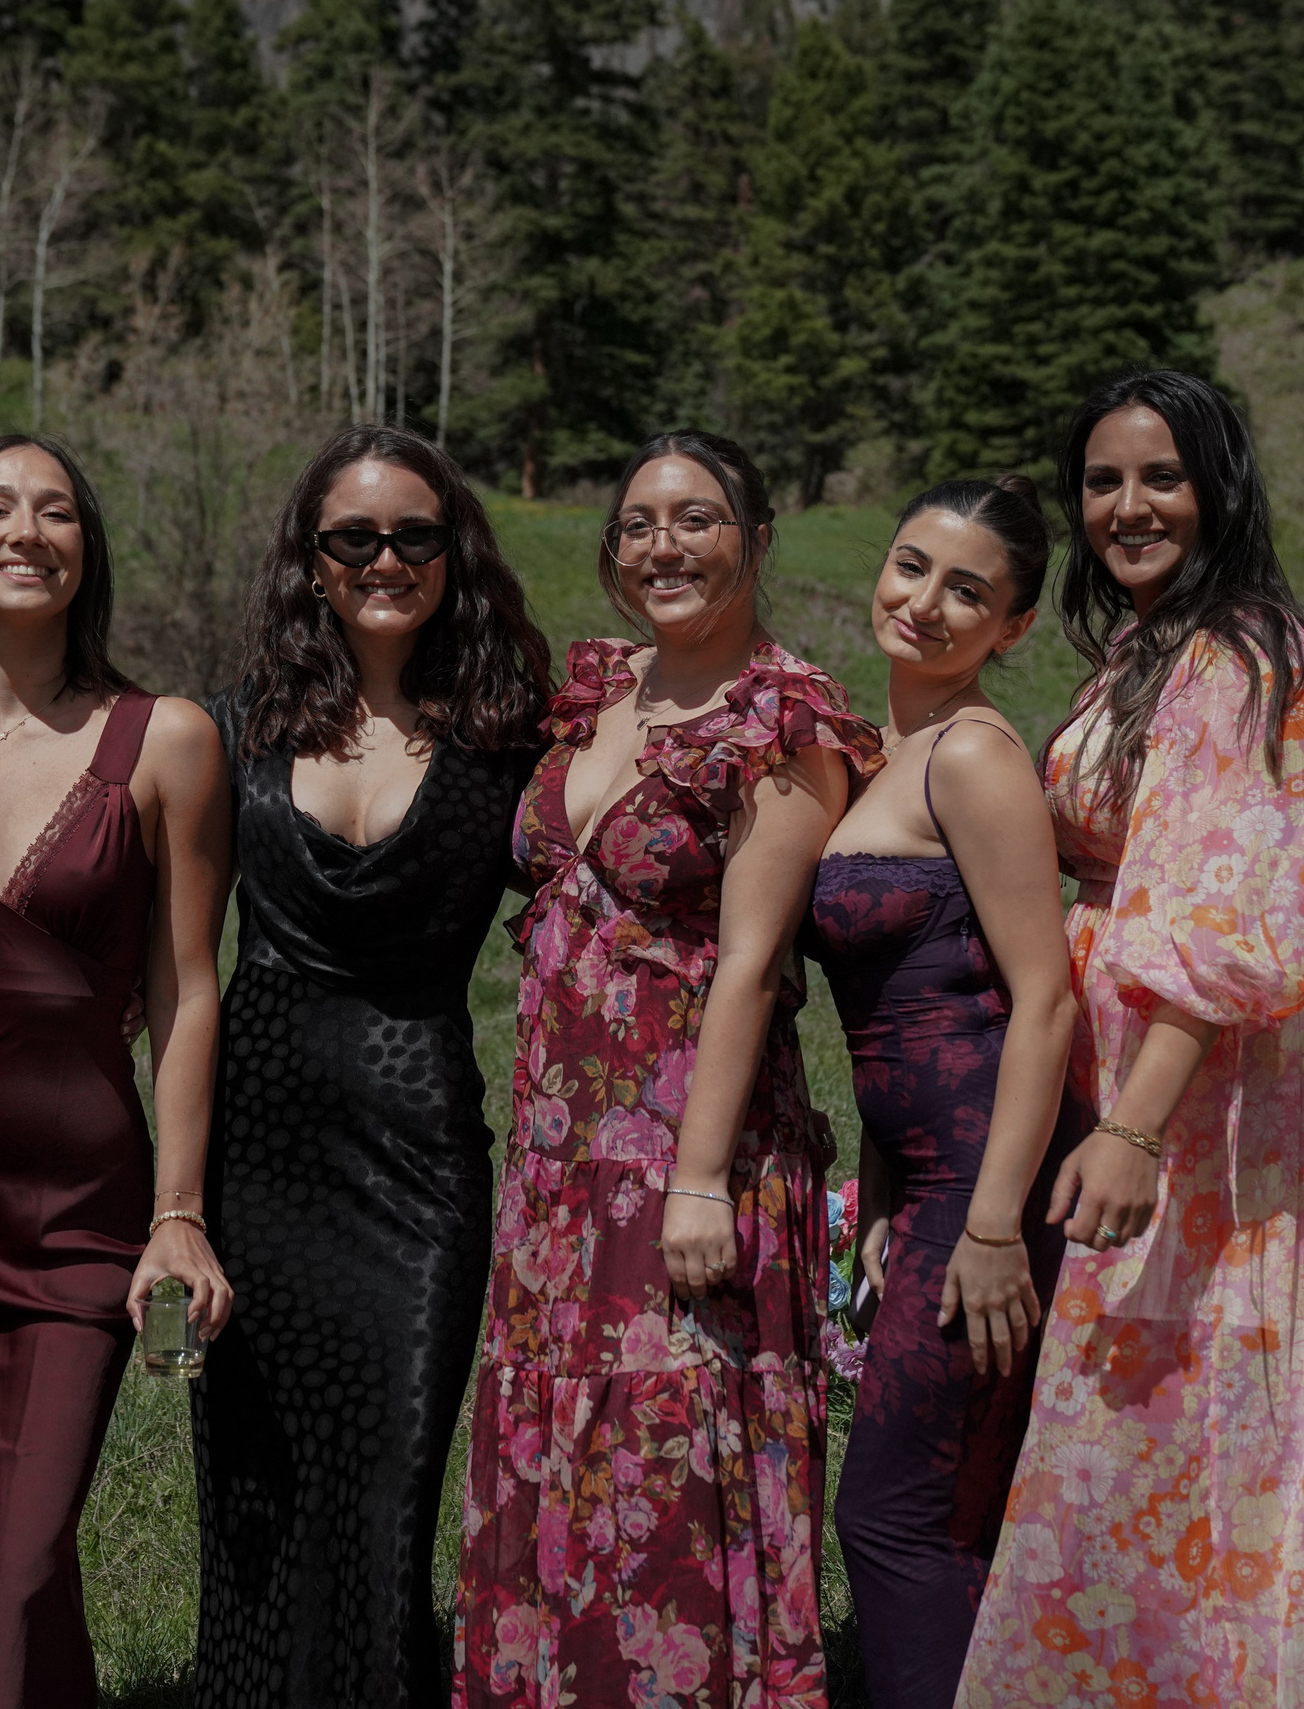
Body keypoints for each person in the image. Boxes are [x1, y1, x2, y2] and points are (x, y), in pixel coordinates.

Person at [454, 430, 881, 1709]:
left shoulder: (783, 722)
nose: (662, 546)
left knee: (672, 1444)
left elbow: (751, 964)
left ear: (754, 539)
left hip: (693, 1146)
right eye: (638, 522)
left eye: (695, 520)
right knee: (566, 1436)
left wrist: (696, 1181)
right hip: (558, 1149)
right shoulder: (601, 694)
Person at [955, 373, 1304, 1709]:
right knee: (1120, 1411)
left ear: (1220, 489)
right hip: (1135, 1064)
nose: (1127, 507)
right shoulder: (1149, 650)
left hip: (1207, 1089)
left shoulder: (1244, 658)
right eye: (1104, 481)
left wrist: (1134, 1127)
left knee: (1184, 1410)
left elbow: (1223, 913)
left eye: (1161, 477)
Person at [0, 436, 233, 1709]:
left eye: (57, 510)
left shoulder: (166, 736)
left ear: (87, 551)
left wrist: (177, 1215)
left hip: (80, 1214)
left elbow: (184, 988)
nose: (27, 530)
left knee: (18, 1552)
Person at [194, 426, 552, 1709]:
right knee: (261, 1482)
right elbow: (48, 818)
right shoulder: (229, 730)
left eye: (415, 534)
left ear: (454, 555)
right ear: (313, 560)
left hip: (418, 1159)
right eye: (355, 537)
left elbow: (656, 835)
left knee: (390, 1481)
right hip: (260, 1145)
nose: (386, 558)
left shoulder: (513, 738)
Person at [798, 477, 1092, 1707]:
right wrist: (880, 1188)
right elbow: (902, 1000)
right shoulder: (887, 752)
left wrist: (985, 1225)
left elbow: (1043, 999)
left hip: (983, 1188)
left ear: (1012, 625)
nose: (922, 603)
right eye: (911, 565)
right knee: (940, 1511)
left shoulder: (970, 756)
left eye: (966, 590)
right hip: (921, 1183)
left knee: (898, 1518)